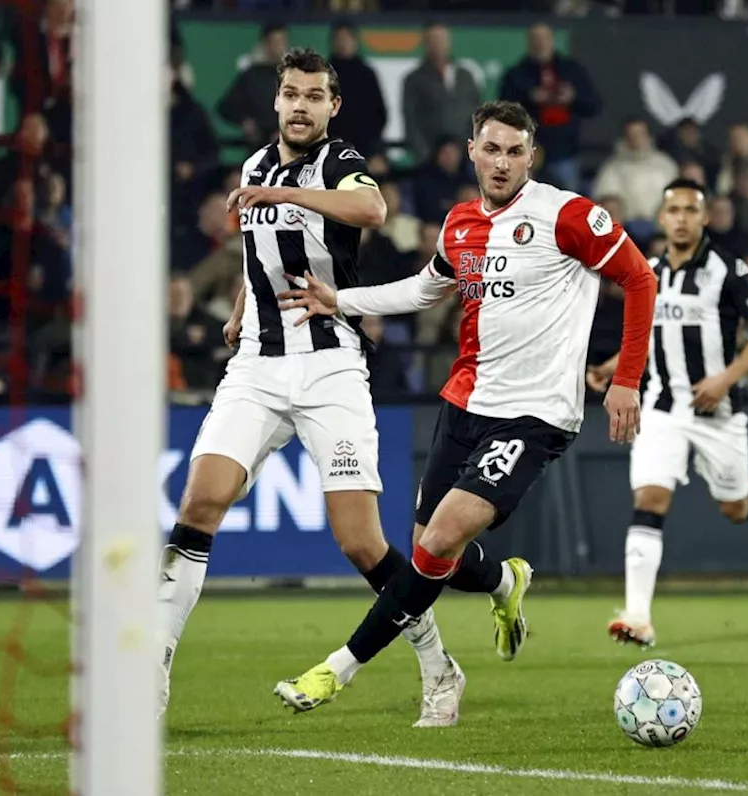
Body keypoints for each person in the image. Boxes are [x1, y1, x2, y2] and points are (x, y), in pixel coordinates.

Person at [272, 100, 658, 716]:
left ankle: (336, 670)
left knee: (441, 540)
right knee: (437, 558)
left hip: (534, 415)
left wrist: (626, 379)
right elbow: (425, 289)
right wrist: (339, 299)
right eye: (492, 148)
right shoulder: (459, 223)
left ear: (532, 156)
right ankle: (506, 582)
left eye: (515, 151)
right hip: (465, 402)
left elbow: (640, 279)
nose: (502, 162)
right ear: (472, 149)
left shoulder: (568, 215)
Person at [156, 47, 461, 729]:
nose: (300, 106)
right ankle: (152, 672)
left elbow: (373, 209)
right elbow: (259, 254)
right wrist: (241, 305)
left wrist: (286, 193)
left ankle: (438, 665)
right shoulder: (254, 167)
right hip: (259, 365)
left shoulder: (336, 163)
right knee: (200, 502)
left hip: (330, 367)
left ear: (333, 106)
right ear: (276, 101)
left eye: (313, 96)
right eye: (290, 94)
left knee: (359, 542)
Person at [586, 178, 748, 649]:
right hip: (660, 409)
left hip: (719, 414)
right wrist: (612, 369)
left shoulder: (727, 270)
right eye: (673, 209)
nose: (681, 218)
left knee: (733, 509)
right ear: (661, 217)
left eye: (690, 210)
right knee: (649, 500)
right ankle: (637, 617)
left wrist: (723, 380)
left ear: (704, 217)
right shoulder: (648, 270)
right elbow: (647, 333)